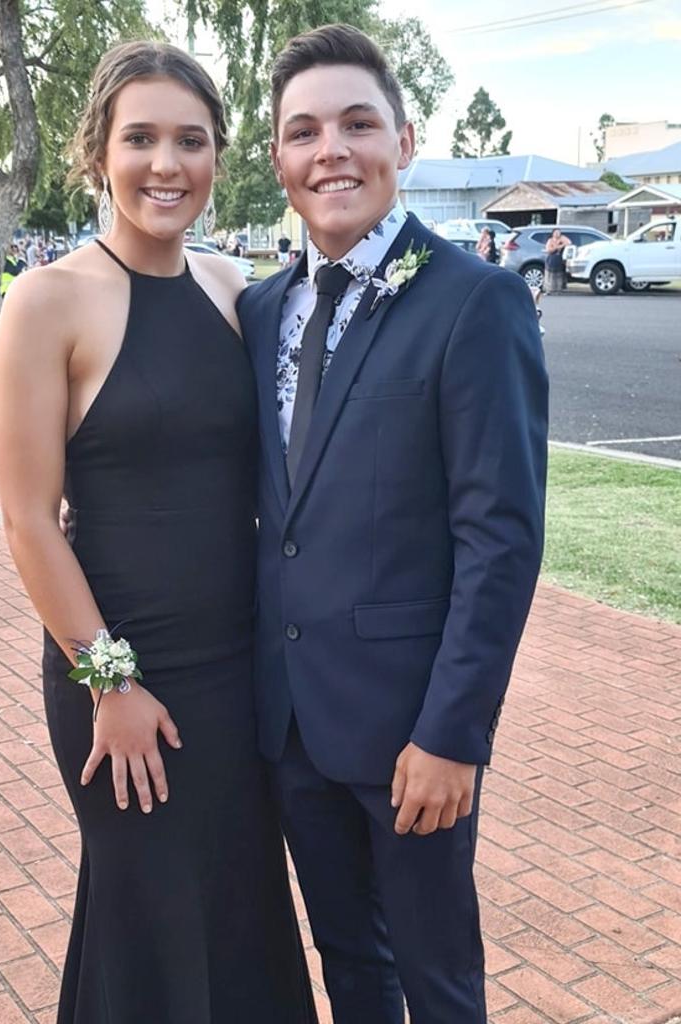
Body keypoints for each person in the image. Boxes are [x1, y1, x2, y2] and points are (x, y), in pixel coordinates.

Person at [0, 40, 316, 1024]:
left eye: (191, 140)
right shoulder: (47, 301)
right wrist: (111, 681)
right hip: (116, 674)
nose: (166, 164)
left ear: (220, 157)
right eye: (140, 138)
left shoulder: (237, 292)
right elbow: (26, 521)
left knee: (239, 910)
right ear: (99, 152)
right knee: (152, 913)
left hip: (236, 675)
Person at [236, 24, 548, 1024]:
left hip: (413, 732)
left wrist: (454, 733)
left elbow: (499, 537)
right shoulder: (259, 310)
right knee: (350, 967)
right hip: (289, 722)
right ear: (279, 158)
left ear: (404, 143)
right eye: (304, 131)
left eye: (357, 123)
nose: (332, 150)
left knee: (437, 980)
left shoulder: (476, 301)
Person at [544, 227, 571, 294]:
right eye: (556, 232)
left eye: (559, 232)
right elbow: (549, 249)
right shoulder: (550, 240)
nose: (557, 234)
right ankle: (549, 290)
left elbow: (569, 243)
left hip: (560, 259)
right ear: (553, 233)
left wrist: (561, 243)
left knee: (559, 275)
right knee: (550, 275)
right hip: (552, 259)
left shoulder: (562, 238)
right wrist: (557, 247)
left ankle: (559, 289)